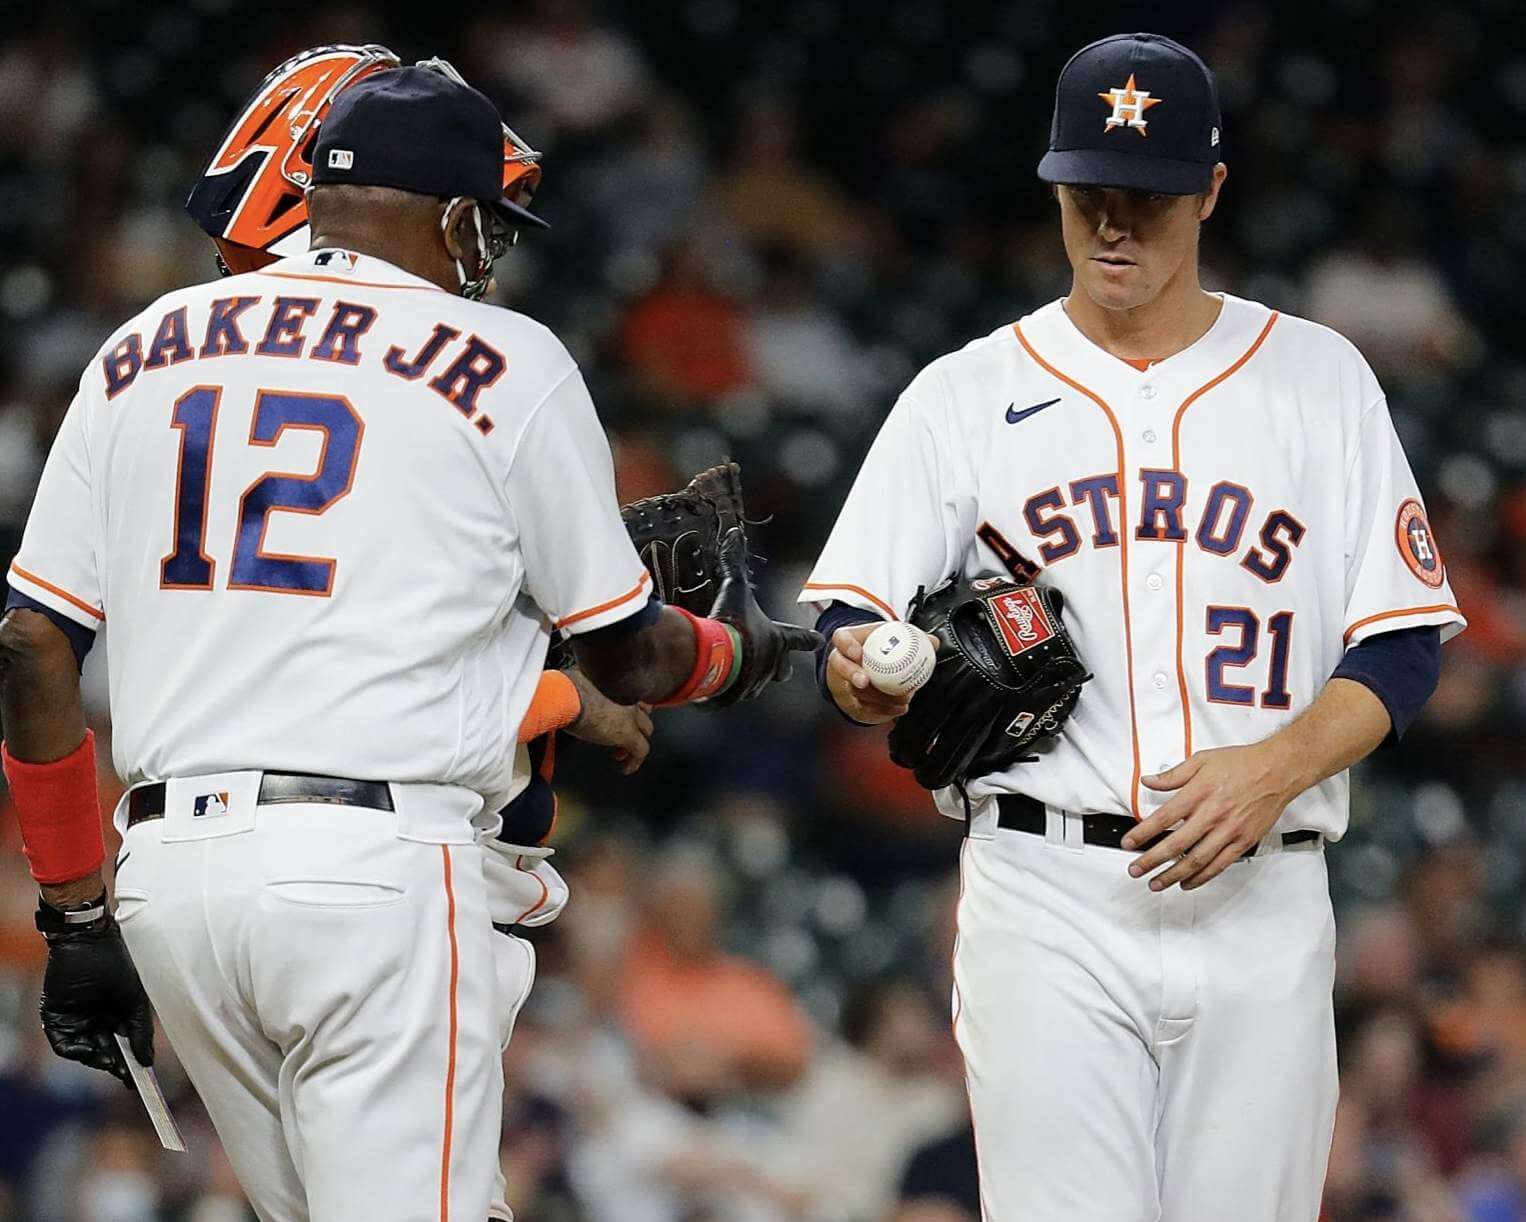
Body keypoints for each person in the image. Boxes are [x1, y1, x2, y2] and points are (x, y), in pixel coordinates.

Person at [0, 65, 815, 1222]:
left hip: (170, 888)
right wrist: (741, 653)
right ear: (449, 216)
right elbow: (633, 655)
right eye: (486, 225)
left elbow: (32, 646)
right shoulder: (504, 355)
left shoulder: (143, 345)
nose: (488, 253)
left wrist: (74, 916)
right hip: (371, 878)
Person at [801, 32, 1465, 1221]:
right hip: (1042, 887)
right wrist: (859, 672)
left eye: (1145, 202)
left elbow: (1401, 645)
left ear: (1209, 191)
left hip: (1258, 896)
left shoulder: (1317, 381)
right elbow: (849, 624)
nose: (1112, 227)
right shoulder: (961, 394)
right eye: (1086, 196)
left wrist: (1275, 766)